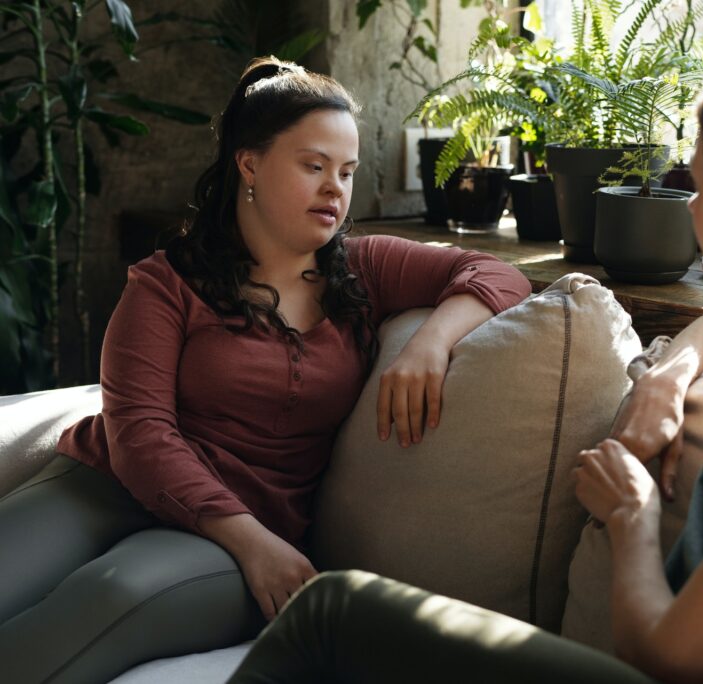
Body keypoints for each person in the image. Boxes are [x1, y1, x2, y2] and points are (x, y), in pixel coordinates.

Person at [225, 47, 703, 684]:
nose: (689, 205)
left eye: (699, 184)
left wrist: (633, 516)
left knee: (334, 610)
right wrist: (671, 375)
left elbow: (672, 656)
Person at [0, 57, 530, 684]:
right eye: (314, 166)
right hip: (100, 487)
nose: (336, 188)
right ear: (248, 164)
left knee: (113, 593)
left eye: (348, 172)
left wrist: (431, 342)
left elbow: (500, 274)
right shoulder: (165, 285)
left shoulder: (365, 267)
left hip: (230, 539)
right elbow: (140, 434)